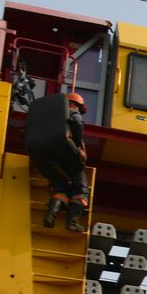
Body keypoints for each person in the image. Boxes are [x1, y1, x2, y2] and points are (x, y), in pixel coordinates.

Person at [43, 92, 90, 232]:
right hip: (69, 157)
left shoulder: (52, 117)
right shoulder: (72, 113)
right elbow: (78, 123)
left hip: (52, 158)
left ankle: (50, 216)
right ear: (73, 104)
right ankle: (72, 222)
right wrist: (79, 145)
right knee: (81, 190)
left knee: (61, 189)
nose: (79, 111)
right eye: (79, 108)